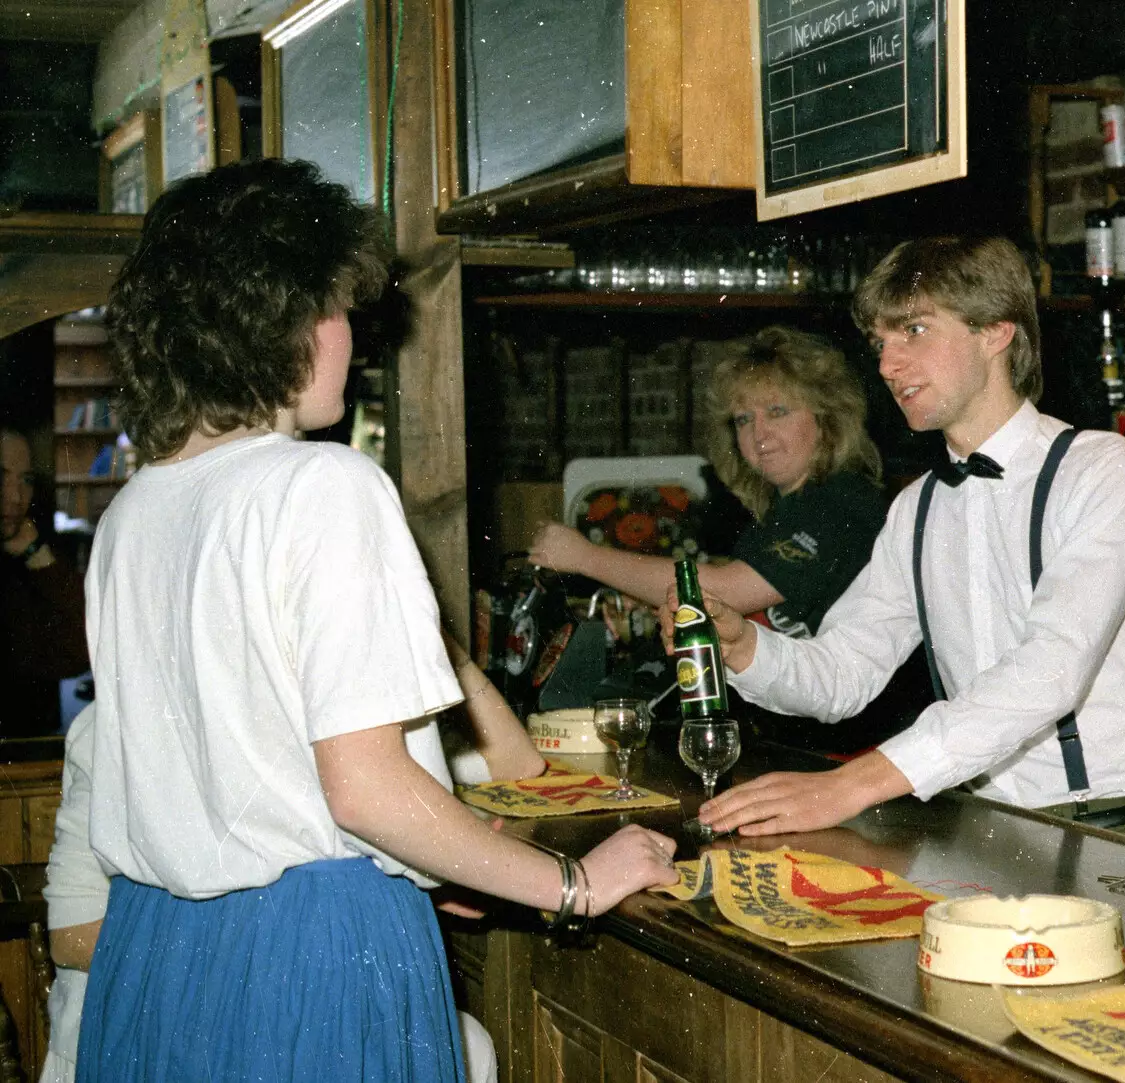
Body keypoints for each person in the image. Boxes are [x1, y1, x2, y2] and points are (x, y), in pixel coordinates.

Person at [78, 158, 678, 1082]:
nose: (351, 336)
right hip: (308, 955)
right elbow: (361, 789)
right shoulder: (322, 483)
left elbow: (244, 763)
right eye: (335, 306)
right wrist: (575, 885)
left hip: (154, 950)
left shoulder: (133, 511)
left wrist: (454, 858)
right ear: (274, 318)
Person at [667, 236, 1125, 844]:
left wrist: (854, 783)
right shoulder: (918, 507)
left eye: (913, 331)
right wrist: (744, 648)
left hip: (1107, 839)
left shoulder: (1107, 473)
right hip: (982, 829)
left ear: (995, 331)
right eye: (881, 344)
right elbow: (843, 672)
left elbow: (1051, 670)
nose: (887, 365)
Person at [43, 645, 529, 1083]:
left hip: (286, 1009)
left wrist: (445, 649)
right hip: (144, 1024)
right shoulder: (114, 726)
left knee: (468, 1047)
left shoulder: (333, 722)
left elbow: (514, 760)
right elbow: (71, 934)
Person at [528, 325, 885, 639]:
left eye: (777, 412)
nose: (759, 433)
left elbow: (724, 591)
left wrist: (586, 557)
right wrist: (649, 594)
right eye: (744, 419)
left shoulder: (839, 502)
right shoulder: (791, 505)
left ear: (827, 419)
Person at [1, 427, 90, 736]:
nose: (15, 497)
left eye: (25, 480)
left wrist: (38, 556)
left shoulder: (24, 563)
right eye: (1, 477)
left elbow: (82, 648)